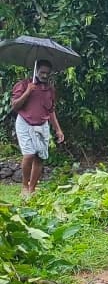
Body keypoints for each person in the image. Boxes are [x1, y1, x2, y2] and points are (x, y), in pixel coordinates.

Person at [10, 59, 64, 197]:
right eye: (42, 72)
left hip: (42, 125)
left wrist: (58, 129)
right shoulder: (23, 85)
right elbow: (15, 106)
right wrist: (28, 91)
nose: (44, 75)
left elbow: (51, 111)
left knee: (40, 157)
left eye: (47, 73)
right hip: (25, 123)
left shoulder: (50, 90)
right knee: (29, 155)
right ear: (35, 71)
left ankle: (32, 189)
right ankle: (24, 187)